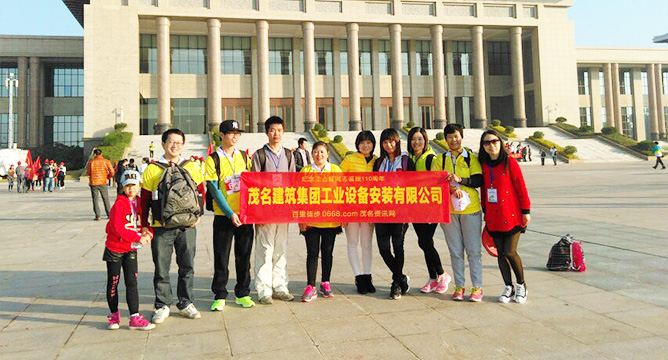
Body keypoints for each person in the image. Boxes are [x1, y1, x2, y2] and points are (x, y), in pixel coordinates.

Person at [140, 128, 205, 324]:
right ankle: (162, 305)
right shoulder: (153, 168)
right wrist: (144, 224)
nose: (175, 145)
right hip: (161, 226)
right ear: (163, 144)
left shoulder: (191, 166)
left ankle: (186, 303)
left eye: (179, 142)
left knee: (187, 266)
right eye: (171, 142)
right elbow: (144, 200)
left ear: (183, 145)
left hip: (187, 225)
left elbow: (201, 191)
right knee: (161, 268)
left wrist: (199, 215)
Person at [205, 120, 256, 311]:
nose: (235, 137)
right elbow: (214, 189)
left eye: (237, 133)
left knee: (244, 257)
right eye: (230, 133)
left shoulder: (244, 157)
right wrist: (229, 213)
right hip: (223, 217)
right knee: (222, 257)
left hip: (244, 216)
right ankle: (220, 294)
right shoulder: (213, 159)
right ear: (221, 135)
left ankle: (243, 293)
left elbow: (252, 183)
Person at [432, 124, 484, 302]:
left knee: (473, 251)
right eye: (450, 137)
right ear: (445, 140)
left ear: (461, 137)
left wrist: (460, 180)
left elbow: (478, 179)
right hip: (448, 211)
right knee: (455, 251)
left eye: (456, 136)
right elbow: (434, 182)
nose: (453, 140)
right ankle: (459, 286)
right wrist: (451, 190)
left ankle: (477, 287)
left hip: (471, 210)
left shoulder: (471, 158)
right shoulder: (440, 159)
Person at [479, 130, 531, 304]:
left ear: (500, 142)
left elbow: (521, 188)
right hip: (494, 216)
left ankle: (521, 285)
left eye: (494, 141)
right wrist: (484, 210)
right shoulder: (484, 165)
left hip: (512, 214)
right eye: (487, 143)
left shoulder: (509, 162)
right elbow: (485, 190)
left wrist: (526, 211)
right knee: (500, 254)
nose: (491, 145)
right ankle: (508, 286)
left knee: (510, 251)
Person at [251, 116, 296, 305]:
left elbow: (293, 181)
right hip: (265, 211)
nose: (276, 133)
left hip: (283, 210)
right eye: (272, 130)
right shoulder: (259, 155)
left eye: (279, 129)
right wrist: (257, 212)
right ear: (267, 132)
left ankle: (280, 286)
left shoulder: (288, 154)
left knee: (281, 248)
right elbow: (253, 184)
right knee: (264, 249)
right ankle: (263, 289)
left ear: (283, 131)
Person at [104, 170, 155, 331]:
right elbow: (117, 227)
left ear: (139, 185)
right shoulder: (119, 204)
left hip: (131, 249)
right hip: (115, 248)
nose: (131, 189)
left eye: (134, 185)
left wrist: (148, 234)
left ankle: (134, 316)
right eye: (127, 186)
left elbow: (147, 221)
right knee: (113, 282)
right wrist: (136, 237)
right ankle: (114, 315)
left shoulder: (140, 203)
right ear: (122, 187)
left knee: (132, 282)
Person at [407, 127, 452, 295]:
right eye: (413, 139)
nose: (416, 142)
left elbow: (438, 182)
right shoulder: (409, 158)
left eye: (420, 139)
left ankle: (442, 274)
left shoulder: (431, 158)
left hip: (430, 208)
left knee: (426, 241)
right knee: (423, 241)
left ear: (425, 140)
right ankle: (433, 278)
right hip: (415, 206)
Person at [373, 128, 415, 299]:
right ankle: (401, 277)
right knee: (383, 249)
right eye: (385, 142)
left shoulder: (405, 161)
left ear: (397, 142)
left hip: (400, 212)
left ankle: (396, 284)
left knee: (398, 246)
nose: (388, 145)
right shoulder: (378, 162)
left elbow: (414, 184)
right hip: (381, 211)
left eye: (391, 141)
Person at [298, 142, 343, 302]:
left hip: (331, 220)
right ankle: (311, 286)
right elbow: (299, 196)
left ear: (328, 154)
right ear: (312, 154)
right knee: (312, 254)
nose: (319, 155)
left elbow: (343, 194)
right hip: (311, 221)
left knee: (327, 253)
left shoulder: (336, 170)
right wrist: (300, 218)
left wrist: (343, 215)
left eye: (322, 152)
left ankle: (325, 282)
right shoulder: (306, 171)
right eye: (316, 152)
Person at [339, 131, 378, 294]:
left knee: (367, 244)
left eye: (369, 142)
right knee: (353, 243)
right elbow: (337, 183)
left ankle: (368, 276)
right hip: (351, 209)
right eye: (362, 142)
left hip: (369, 211)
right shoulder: (349, 160)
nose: (365, 145)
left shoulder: (377, 161)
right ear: (357, 144)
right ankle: (358, 276)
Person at [87, 149, 115, 221]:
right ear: (101, 154)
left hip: (94, 182)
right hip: (103, 182)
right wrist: (108, 177)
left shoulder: (91, 162)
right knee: (106, 198)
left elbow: (88, 172)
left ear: (94, 154)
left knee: (95, 199)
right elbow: (112, 171)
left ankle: (97, 215)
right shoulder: (106, 161)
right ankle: (109, 214)